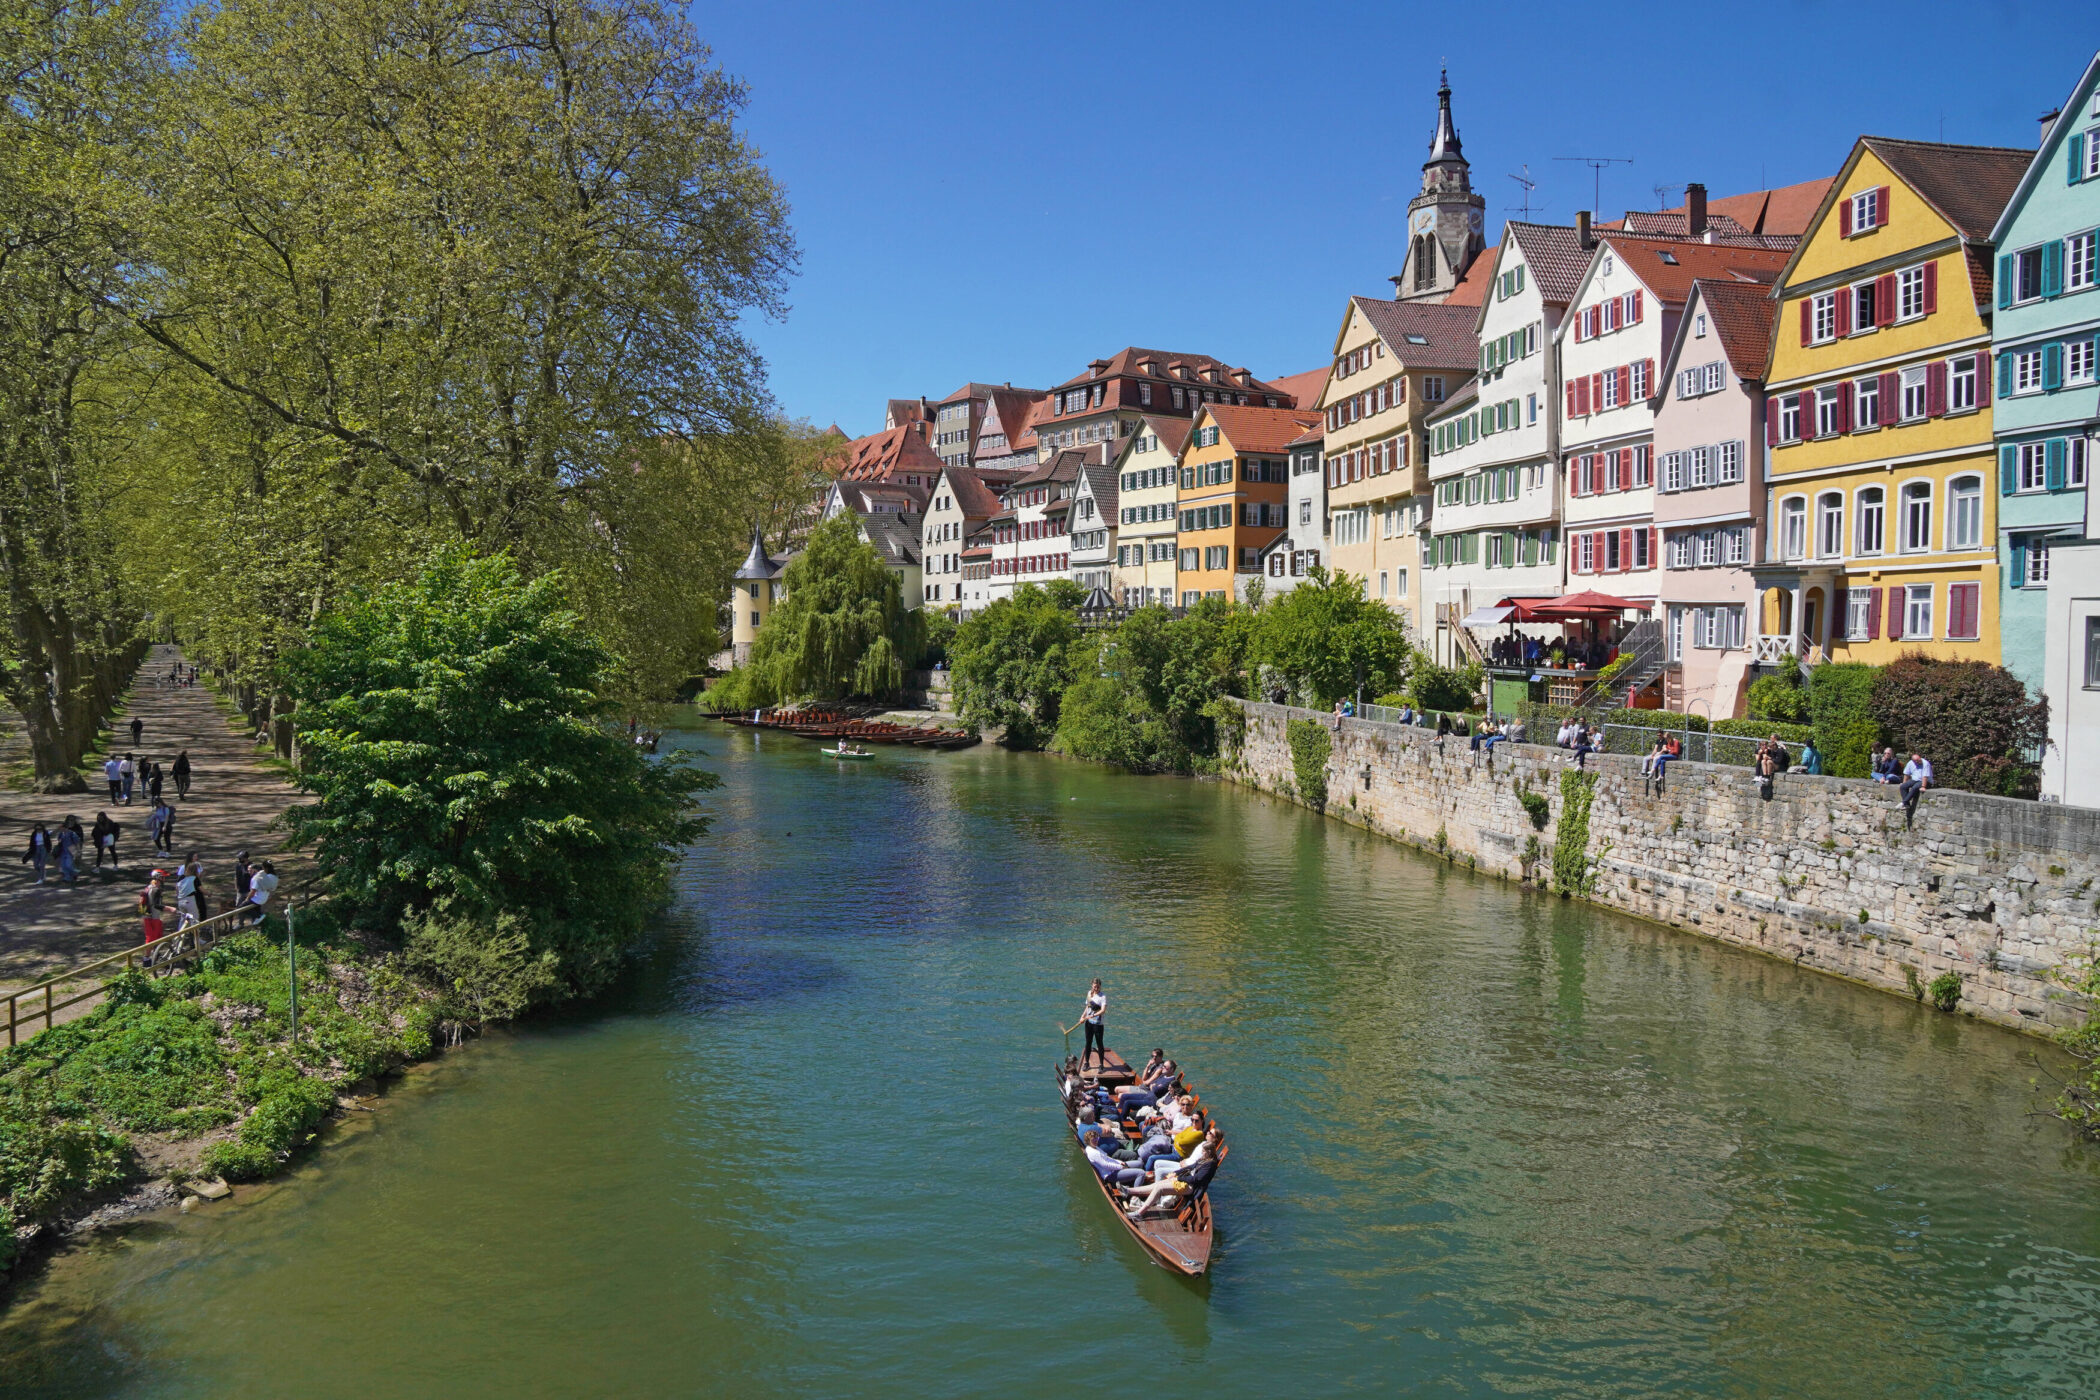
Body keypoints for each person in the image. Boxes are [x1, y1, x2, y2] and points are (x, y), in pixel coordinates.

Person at [1078, 978, 1107, 1070]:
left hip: (1098, 1024)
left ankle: (1101, 1065)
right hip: (1089, 1023)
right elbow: (1087, 1007)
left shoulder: (1103, 997)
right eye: (1095, 986)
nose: (1096, 988)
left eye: (1098, 986)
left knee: (1099, 1044)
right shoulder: (1089, 994)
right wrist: (1082, 1017)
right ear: (1092, 985)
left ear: (1100, 986)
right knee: (1088, 1043)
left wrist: (1093, 1015)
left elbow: (1103, 1011)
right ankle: (1086, 1063)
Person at [1900, 752, 1933, 827]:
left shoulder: (1925, 763)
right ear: (1913, 761)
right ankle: (1907, 805)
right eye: (1917, 761)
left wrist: (1923, 786)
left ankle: (1904, 802)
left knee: (1915, 787)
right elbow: (1906, 774)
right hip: (1915, 779)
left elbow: (1925, 777)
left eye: (1919, 759)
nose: (1919, 761)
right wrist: (1904, 783)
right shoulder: (1910, 763)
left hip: (1926, 781)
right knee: (1903, 787)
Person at [57, 816, 84, 884]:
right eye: (69, 820)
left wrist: (78, 850)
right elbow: (59, 839)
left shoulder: (75, 830)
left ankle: (74, 873)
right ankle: (67, 877)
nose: (70, 821)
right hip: (64, 850)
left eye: (72, 820)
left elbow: (79, 840)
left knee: (71, 863)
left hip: (72, 848)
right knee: (64, 864)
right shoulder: (62, 830)